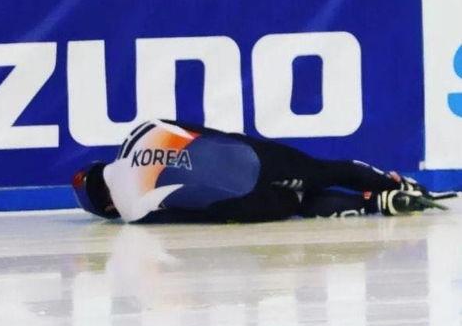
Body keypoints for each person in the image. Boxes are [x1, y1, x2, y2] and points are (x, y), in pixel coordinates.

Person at [72, 119, 450, 223]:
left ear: (107, 207)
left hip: (238, 201)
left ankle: (374, 204)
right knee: (321, 170)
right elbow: (203, 133)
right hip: (245, 155)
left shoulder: (132, 212)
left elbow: (188, 213)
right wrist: (242, 148)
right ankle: (392, 183)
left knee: (300, 204)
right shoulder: (142, 132)